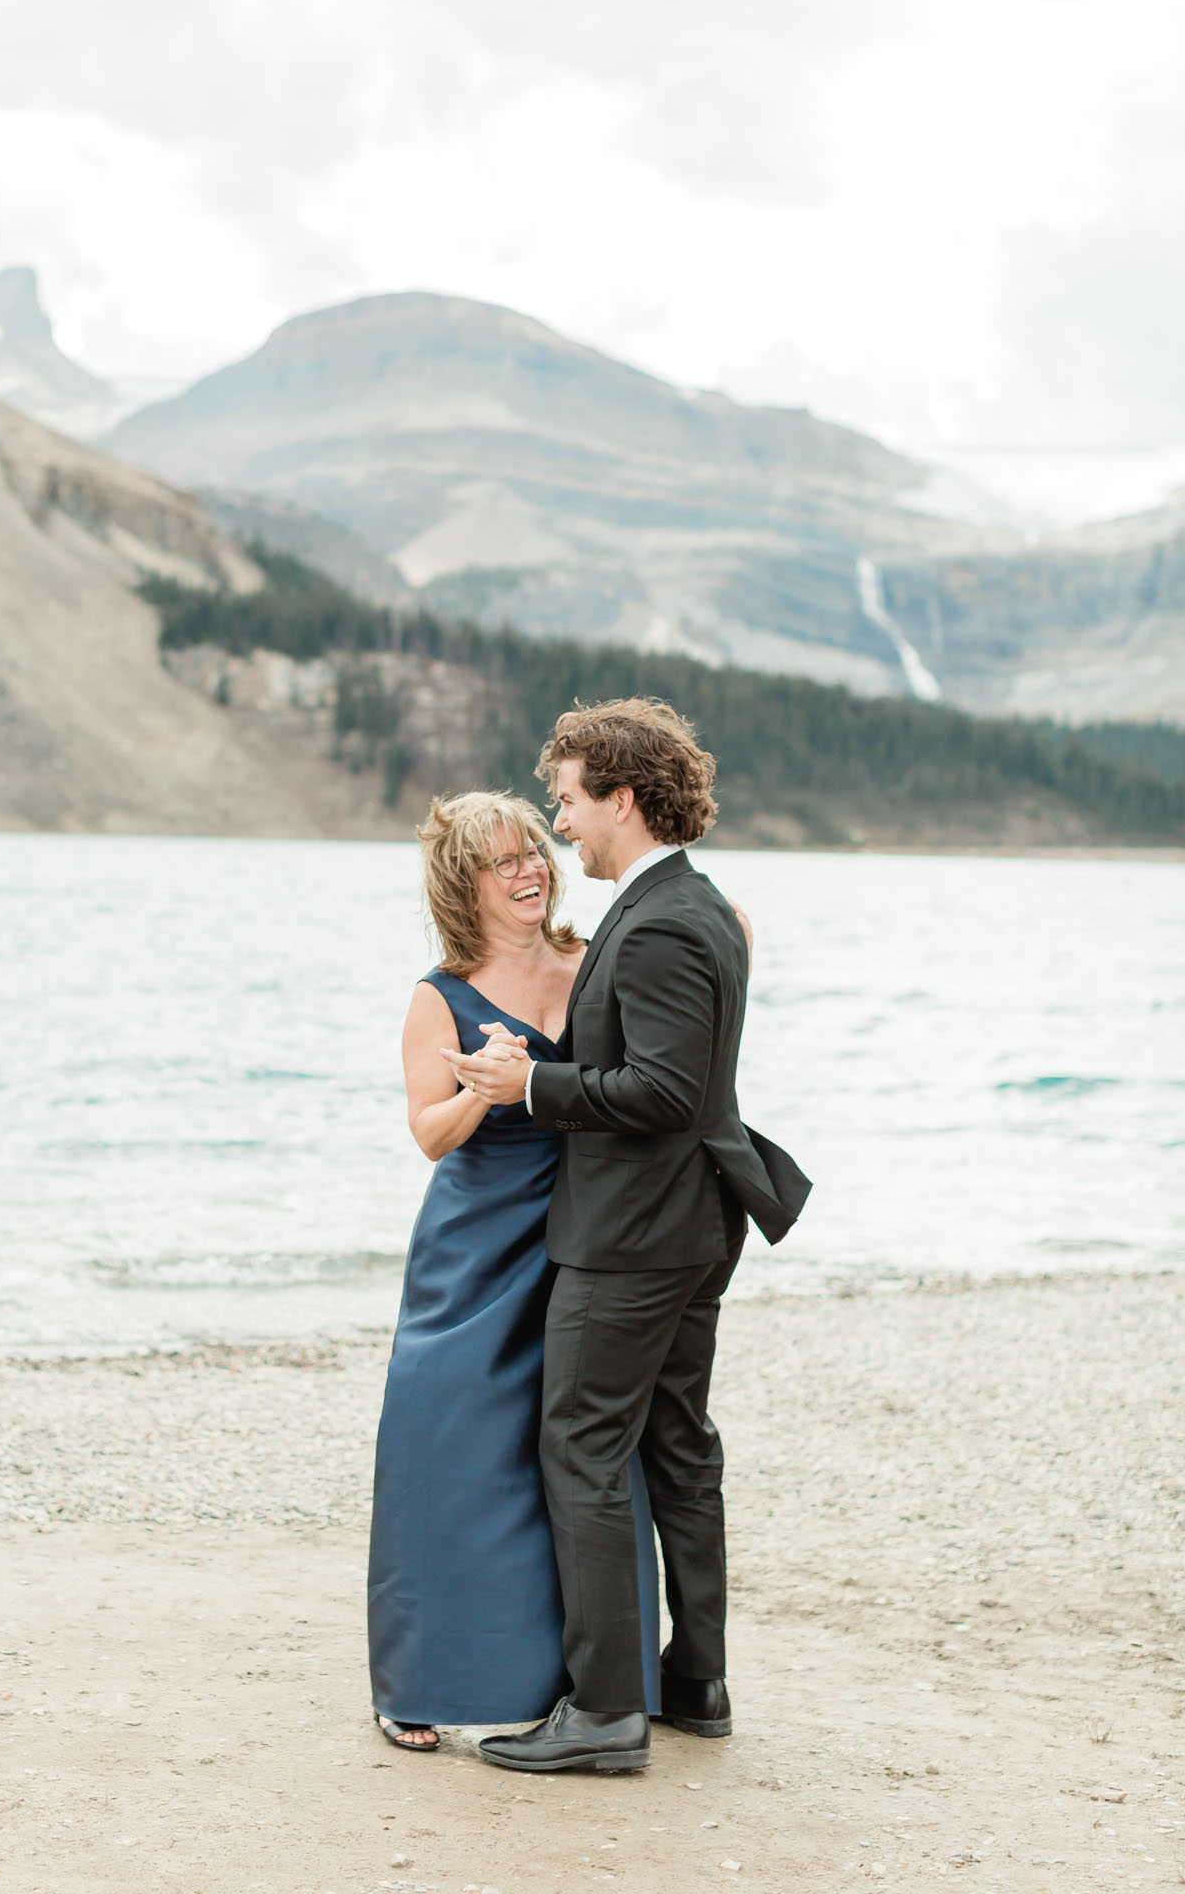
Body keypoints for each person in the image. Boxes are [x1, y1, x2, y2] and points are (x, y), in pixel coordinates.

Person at [446, 699, 810, 1775]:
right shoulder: (694, 907)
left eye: (565, 798)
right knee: (677, 1446)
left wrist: (530, 1083)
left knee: (582, 1444)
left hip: (636, 1232)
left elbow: (660, 1088)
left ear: (621, 793)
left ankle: (604, 1709)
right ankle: (694, 1680)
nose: (560, 822)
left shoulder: (657, 922)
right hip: (687, 1222)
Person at [367, 790, 665, 1752]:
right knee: (441, 1448)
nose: (530, 870)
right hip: (472, 1246)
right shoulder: (438, 994)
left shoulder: (593, 965)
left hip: (583, 1238)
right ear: (466, 883)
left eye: (535, 850)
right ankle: (415, 1681)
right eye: (504, 862)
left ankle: (584, 1687)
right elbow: (427, 1136)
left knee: (575, 1460)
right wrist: (481, 1090)